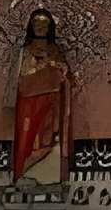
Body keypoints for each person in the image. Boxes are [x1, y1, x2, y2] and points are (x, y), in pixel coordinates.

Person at [11, 10, 73, 189]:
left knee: (48, 137)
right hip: (29, 102)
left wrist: (53, 64)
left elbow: (64, 73)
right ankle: (22, 173)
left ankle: (47, 176)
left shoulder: (55, 50)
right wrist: (41, 65)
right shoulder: (26, 50)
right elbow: (21, 74)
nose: (40, 27)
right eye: (37, 24)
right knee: (27, 138)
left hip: (51, 101)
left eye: (44, 24)